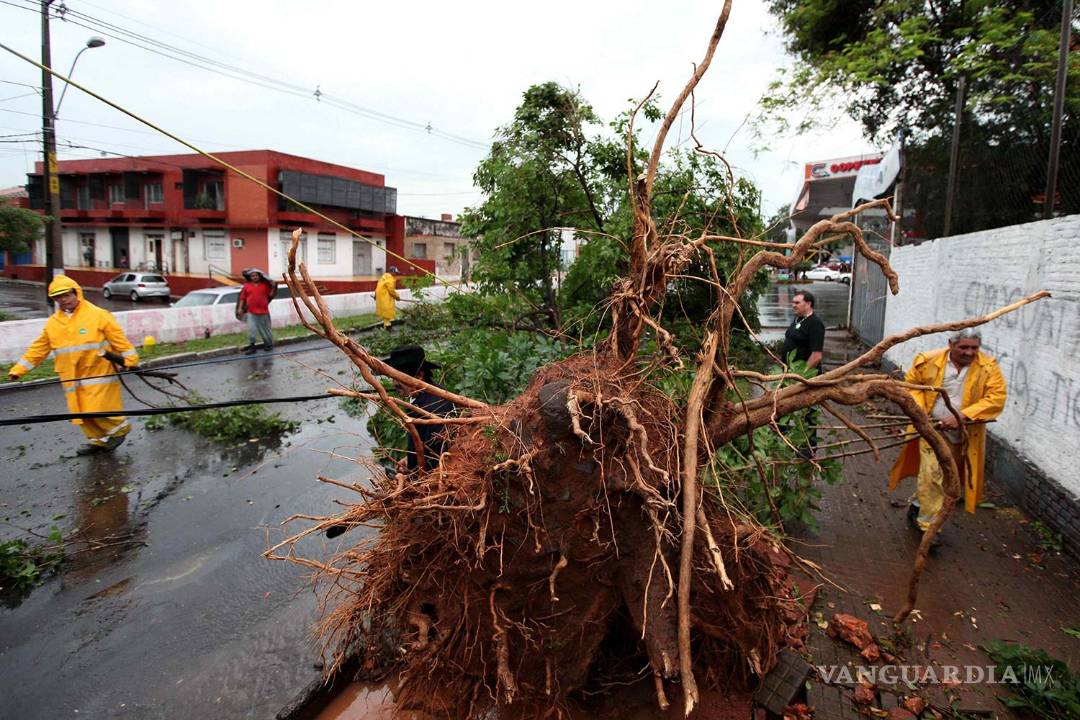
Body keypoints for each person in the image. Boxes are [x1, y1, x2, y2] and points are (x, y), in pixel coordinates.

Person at [888, 329, 1007, 531]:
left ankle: (917, 507)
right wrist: (921, 413)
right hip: (930, 430)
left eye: (974, 348)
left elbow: (996, 397)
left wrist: (962, 416)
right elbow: (910, 386)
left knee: (945, 476)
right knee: (932, 473)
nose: (969, 352)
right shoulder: (928, 361)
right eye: (964, 347)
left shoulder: (988, 367)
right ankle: (929, 526)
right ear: (950, 344)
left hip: (964, 435)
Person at [7, 276, 139, 455]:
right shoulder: (53, 323)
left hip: (97, 371)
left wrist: (131, 361)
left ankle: (120, 430)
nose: (63, 300)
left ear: (76, 293)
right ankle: (98, 441)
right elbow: (38, 349)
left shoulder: (98, 315)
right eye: (58, 297)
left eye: (66, 295)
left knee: (97, 408)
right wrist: (18, 371)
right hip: (70, 376)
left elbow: (119, 340)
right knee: (81, 413)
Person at [380, 344, 455, 473]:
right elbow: (423, 446)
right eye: (393, 377)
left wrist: (412, 474)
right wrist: (411, 458)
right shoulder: (427, 393)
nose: (394, 383)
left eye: (399, 378)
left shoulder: (433, 408)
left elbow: (435, 461)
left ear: (419, 375)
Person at [781, 290, 825, 371]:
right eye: (793, 302)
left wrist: (801, 374)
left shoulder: (815, 324)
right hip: (790, 372)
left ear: (808, 304)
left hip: (804, 378)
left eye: (797, 303)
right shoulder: (798, 319)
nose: (793, 305)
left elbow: (816, 356)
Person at [236, 268, 275, 353]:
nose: (254, 277)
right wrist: (240, 308)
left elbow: (270, 295)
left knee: (265, 330)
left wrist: (273, 287)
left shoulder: (265, 285)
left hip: (263, 312)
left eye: (256, 275)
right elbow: (242, 298)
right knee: (251, 330)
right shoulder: (247, 286)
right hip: (251, 312)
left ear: (260, 276)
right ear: (250, 277)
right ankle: (252, 347)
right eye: (252, 276)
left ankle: (269, 344)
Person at [375, 266, 400, 330]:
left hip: (380, 297)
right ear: (392, 272)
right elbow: (391, 290)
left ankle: (387, 326)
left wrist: (376, 296)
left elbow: (377, 286)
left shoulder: (383, 277)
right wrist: (397, 296)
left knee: (385, 312)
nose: (396, 274)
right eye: (395, 273)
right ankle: (388, 327)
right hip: (385, 297)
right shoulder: (390, 279)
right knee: (387, 311)